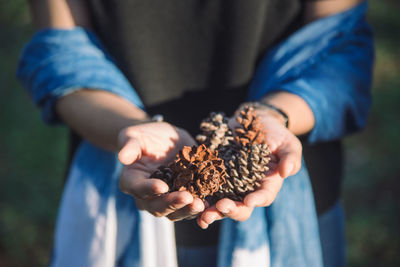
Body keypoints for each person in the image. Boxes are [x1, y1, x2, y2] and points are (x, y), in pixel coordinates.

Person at [17, 0, 373, 266]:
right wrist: (128, 127)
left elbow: (340, 51)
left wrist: (275, 113)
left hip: (291, 202)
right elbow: (61, 57)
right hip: (114, 202)